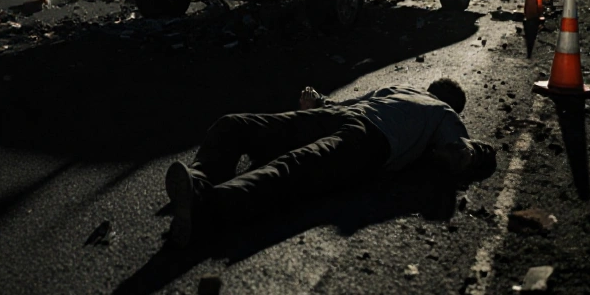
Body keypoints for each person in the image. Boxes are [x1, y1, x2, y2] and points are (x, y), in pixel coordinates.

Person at [164, 78, 496, 247]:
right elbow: (462, 150)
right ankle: (199, 186)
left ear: (434, 89)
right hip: (349, 121)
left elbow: (460, 148)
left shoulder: (439, 110)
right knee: (289, 164)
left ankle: (203, 203)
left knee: (257, 140)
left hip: (366, 137)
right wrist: (319, 102)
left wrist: (466, 154)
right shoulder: (423, 100)